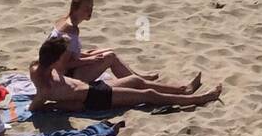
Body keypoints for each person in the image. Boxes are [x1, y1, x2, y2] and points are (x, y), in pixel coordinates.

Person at [29, 37, 220, 112]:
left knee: (136, 80)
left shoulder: (36, 66)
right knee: (148, 96)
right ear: (54, 60)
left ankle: (183, 90)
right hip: (96, 99)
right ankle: (199, 98)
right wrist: (63, 105)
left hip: (93, 89)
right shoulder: (46, 86)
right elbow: (36, 106)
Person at [48, 0, 156, 82]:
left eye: (91, 8)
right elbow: (63, 65)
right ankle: (137, 81)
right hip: (67, 77)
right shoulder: (70, 30)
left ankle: (136, 76)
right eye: (86, 8)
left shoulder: (64, 21)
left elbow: (68, 54)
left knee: (108, 51)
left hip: (65, 69)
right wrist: (90, 60)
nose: (90, 12)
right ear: (75, 8)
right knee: (110, 57)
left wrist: (90, 56)